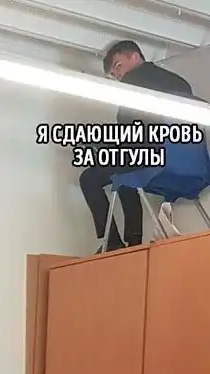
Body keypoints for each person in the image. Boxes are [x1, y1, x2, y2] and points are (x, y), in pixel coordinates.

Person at [79, 40, 194, 253]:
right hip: (190, 161)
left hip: (153, 154)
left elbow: (126, 130)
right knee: (125, 167)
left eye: (118, 66)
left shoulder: (135, 83)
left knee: (89, 178)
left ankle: (113, 242)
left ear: (135, 57)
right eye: (114, 75)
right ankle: (132, 242)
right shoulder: (181, 83)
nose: (118, 76)